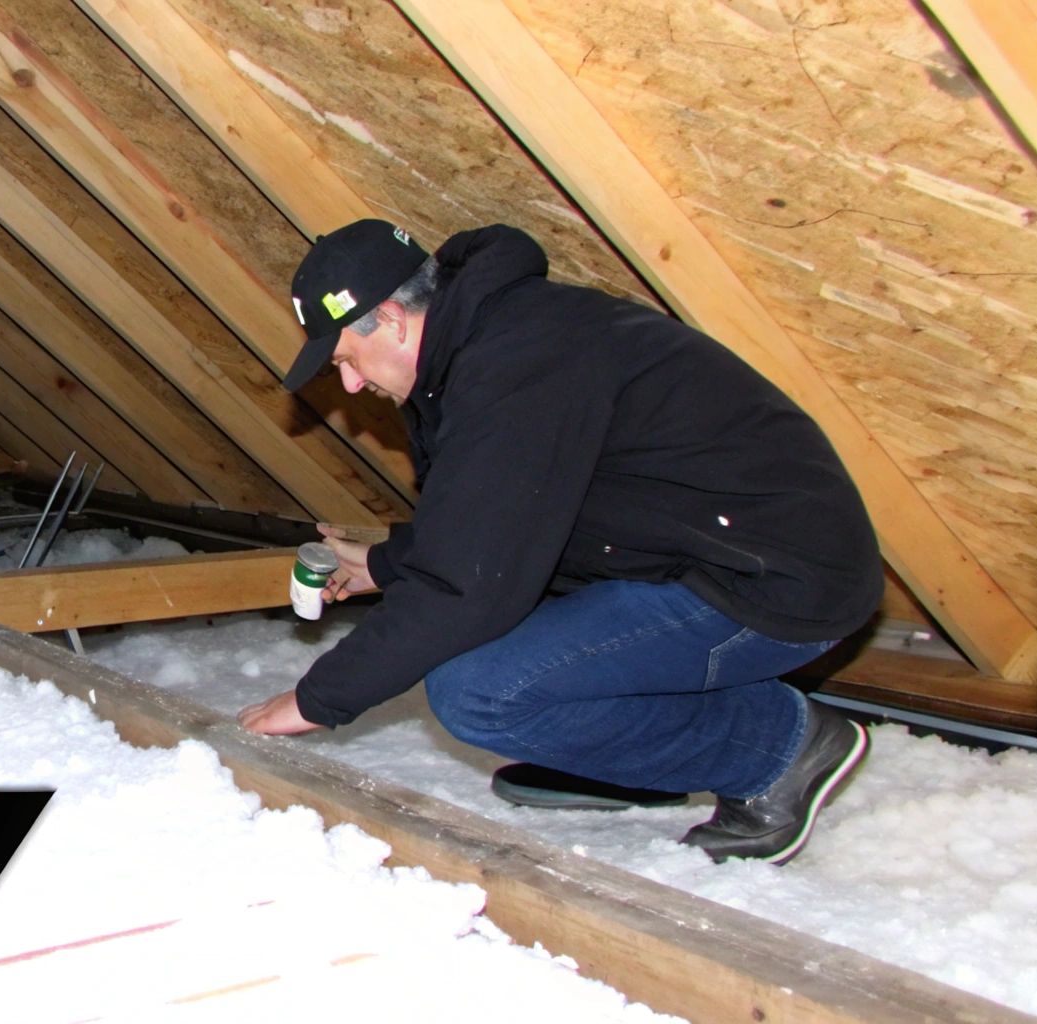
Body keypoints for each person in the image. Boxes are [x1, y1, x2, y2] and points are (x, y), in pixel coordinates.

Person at [237, 220, 881, 865]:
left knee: (480, 690)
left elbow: (471, 583)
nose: (349, 386)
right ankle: (640, 760)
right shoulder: (481, 350)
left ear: (392, 320)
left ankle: (779, 749)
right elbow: (496, 520)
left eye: (346, 358)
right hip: (690, 555)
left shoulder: (519, 363)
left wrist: (318, 700)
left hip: (774, 583)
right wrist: (386, 563)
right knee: (504, 630)